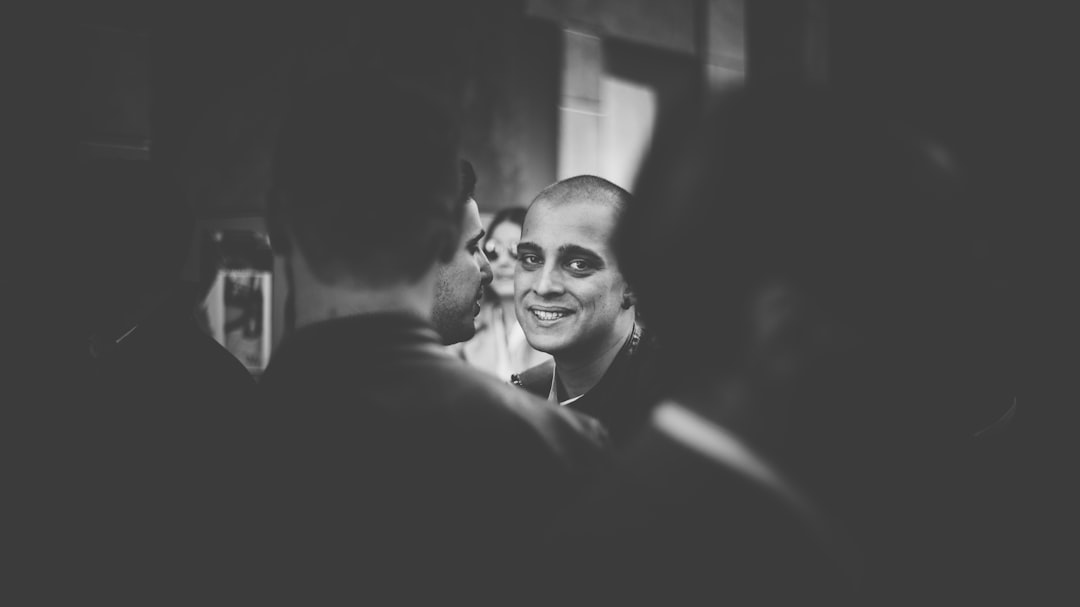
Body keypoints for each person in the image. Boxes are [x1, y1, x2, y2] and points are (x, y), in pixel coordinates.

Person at [550, 85, 1013, 604]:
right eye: (915, 306)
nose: (947, 350)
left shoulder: (642, 513)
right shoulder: (739, 569)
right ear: (788, 331)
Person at [254, 69, 606, 604]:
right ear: (443, 235)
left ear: (277, 224)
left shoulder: (199, 445)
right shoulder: (560, 451)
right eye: (479, 247)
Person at [511, 175, 663, 446]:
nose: (544, 286)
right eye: (531, 259)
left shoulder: (674, 413)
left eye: (578, 264)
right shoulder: (522, 397)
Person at [450, 196, 550, 379]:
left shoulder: (557, 323)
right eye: (493, 250)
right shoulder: (465, 325)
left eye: (516, 251)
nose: (502, 262)